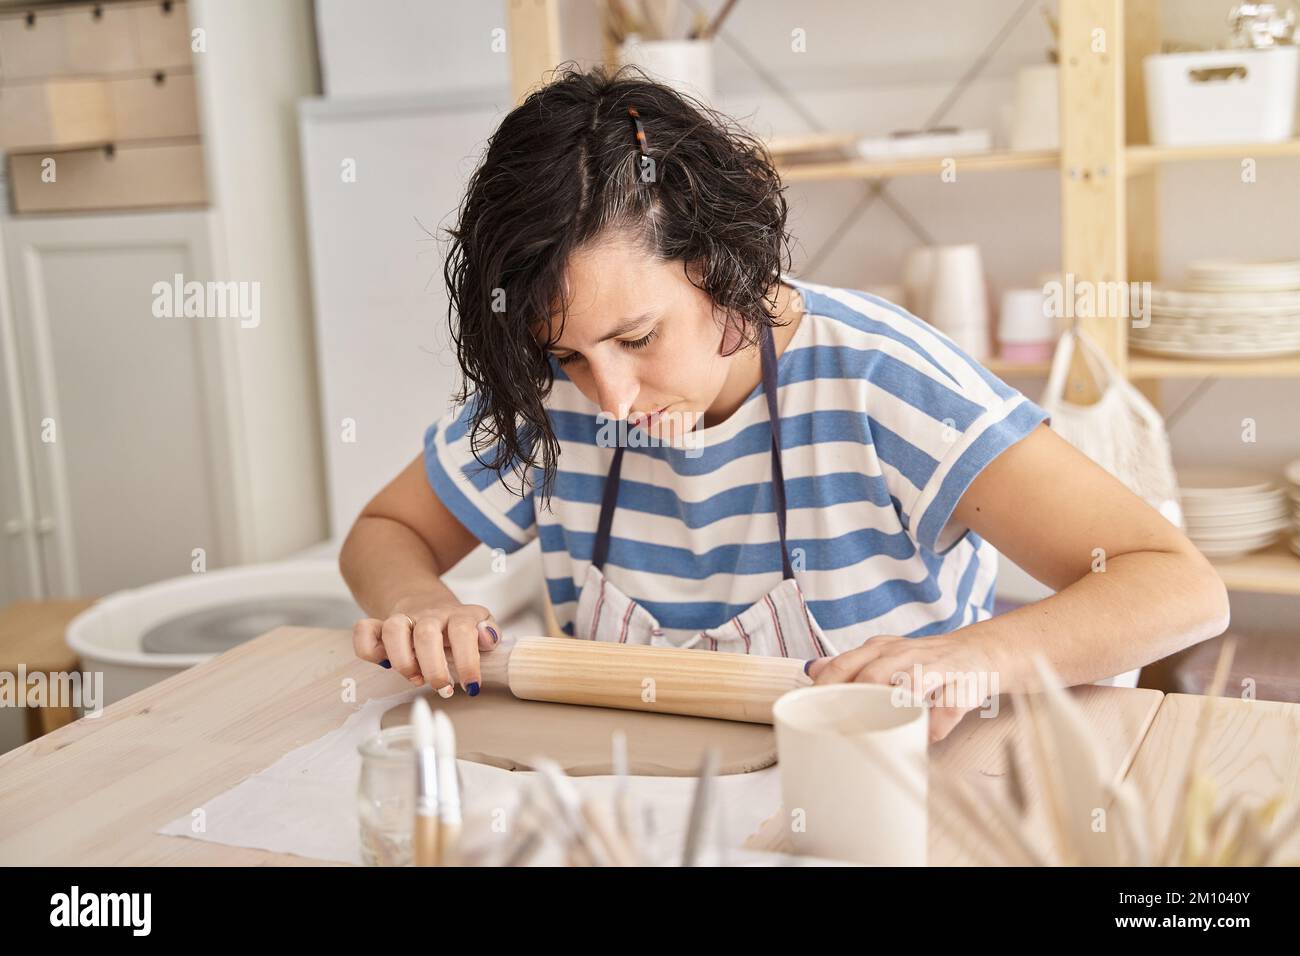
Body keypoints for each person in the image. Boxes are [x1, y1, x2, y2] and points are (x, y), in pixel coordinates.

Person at [339, 65, 1228, 742]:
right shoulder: (548, 396)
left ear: (724, 268)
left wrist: (976, 655)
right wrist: (418, 601)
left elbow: (1176, 584)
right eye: (566, 353)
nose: (607, 395)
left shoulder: (878, 378)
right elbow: (386, 532)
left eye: (639, 339)